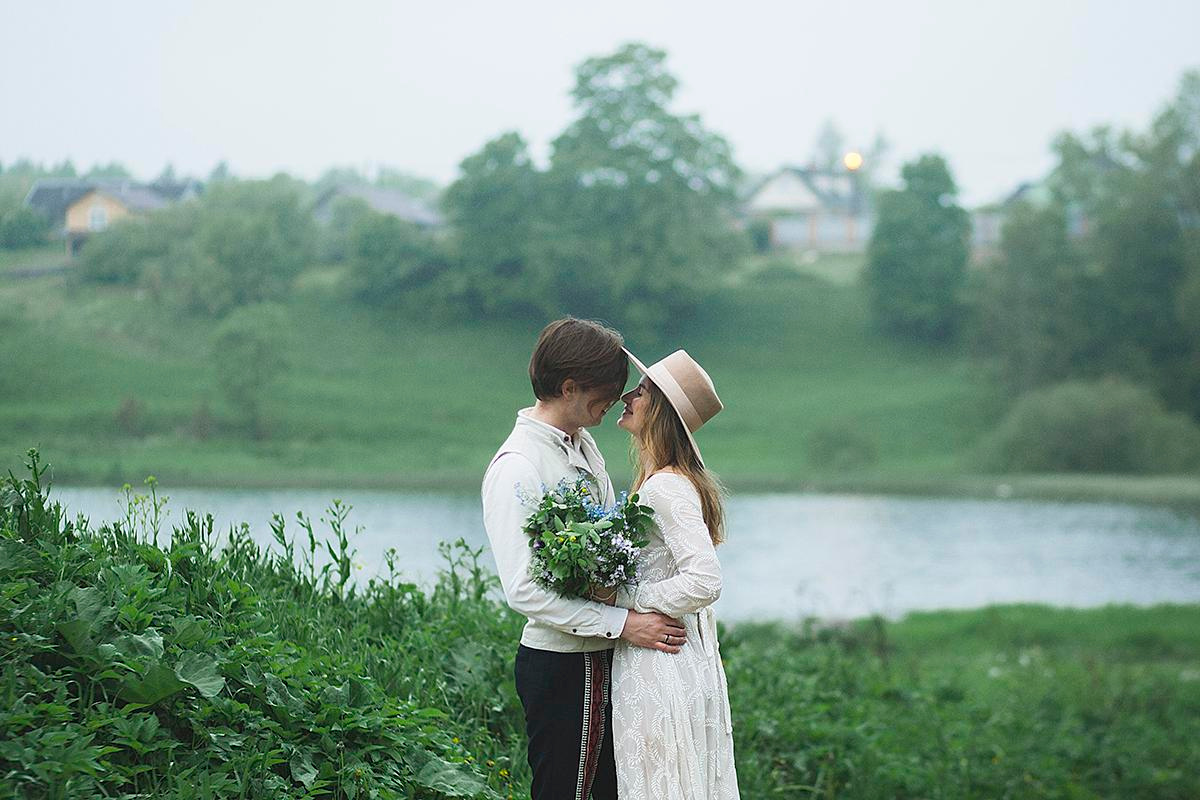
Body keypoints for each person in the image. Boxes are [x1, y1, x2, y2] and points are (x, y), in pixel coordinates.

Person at [481, 318, 688, 800]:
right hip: (560, 666)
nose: (616, 400)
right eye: (607, 390)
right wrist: (625, 624)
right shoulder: (517, 467)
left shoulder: (583, 442)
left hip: (602, 658)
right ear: (569, 386)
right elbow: (525, 591)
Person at [600, 347, 741, 799]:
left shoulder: (666, 486)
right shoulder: (663, 479)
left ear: (659, 409)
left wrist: (625, 599)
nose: (625, 396)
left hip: (659, 665)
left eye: (639, 391)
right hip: (666, 659)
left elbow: (705, 580)